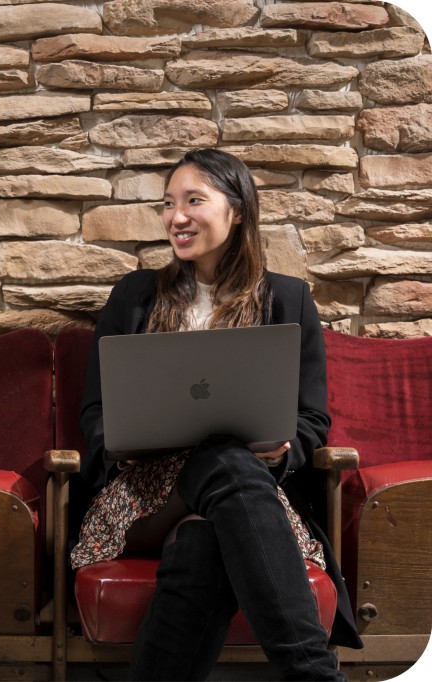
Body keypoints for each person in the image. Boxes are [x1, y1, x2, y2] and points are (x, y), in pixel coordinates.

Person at [71, 148, 362, 680]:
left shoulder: (287, 299)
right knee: (226, 461)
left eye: (193, 201)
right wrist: (118, 439)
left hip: (245, 491)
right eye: (168, 204)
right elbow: (95, 409)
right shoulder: (135, 296)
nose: (176, 217)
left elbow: (311, 420)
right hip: (144, 498)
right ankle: (314, 675)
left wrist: (284, 446)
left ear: (238, 212)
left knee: (204, 536)